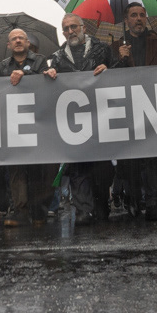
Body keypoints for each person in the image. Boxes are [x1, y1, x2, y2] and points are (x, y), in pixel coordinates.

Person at [46, 13, 113, 225]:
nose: (70, 31)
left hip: (101, 116)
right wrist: (50, 74)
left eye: (74, 27)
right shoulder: (58, 57)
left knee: (101, 166)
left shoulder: (102, 49)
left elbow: (120, 75)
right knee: (77, 167)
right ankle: (83, 209)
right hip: (74, 120)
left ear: (83, 27)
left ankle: (101, 204)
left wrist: (109, 70)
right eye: (66, 29)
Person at [108, 3, 157, 219]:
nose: (138, 19)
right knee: (130, 159)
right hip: (128, 110)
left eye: (142, 15)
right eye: (133, 15)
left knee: (153, 158)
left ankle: (153, 201)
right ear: (126, 21)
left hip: (154, 107)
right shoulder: (116, 47)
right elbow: (110, 78)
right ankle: (134, 198)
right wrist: (120, 59)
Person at [0, 28, 53, 226]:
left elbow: (43, 80)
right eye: (14, 39)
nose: (18, 41)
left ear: (28, 43)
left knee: (37, 169)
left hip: (37, 121)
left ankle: (38, 212)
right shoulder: (2, 66)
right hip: (13, 124)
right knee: (16, 169)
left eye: (21, 38)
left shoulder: (40, 60)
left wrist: (25, 74)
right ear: (9, 45)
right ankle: (20, 211)